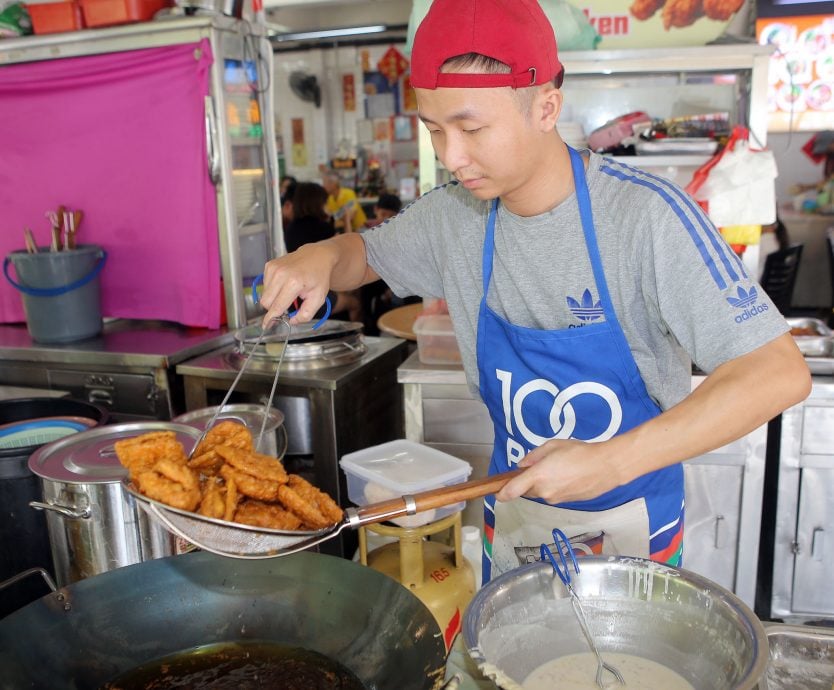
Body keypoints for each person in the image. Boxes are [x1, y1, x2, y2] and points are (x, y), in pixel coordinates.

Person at [259, 0, 810, 584]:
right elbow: (365, 255)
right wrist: (319, 255)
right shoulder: (457, 217)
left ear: (546, 107)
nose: (452, 157)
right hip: (517, 522)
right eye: (435, 130)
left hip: (633, 528)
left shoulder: (645, 217)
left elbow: (776, 372)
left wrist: (608, 462)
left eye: (471, 129)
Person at [283, 182, 361, 321]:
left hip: (298, 293)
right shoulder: (323, 228)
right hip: (322, 294)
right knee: (355, 303)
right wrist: (347, 220)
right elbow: (347, 249)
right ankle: (355, 336)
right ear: (318, 203)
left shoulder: (291, 229)